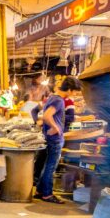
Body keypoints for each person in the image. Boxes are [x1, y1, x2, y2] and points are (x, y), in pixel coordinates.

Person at [35, 76, 82, 204]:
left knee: (47, 165)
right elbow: (46, 116)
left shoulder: (52, 97)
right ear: (70, 89)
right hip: (55, 139)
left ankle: (40, 191)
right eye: (75, 92)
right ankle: (47, 194)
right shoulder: (59, 100)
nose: (75, 95)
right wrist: (56, 127)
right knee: (51, 166)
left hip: (50, 137)